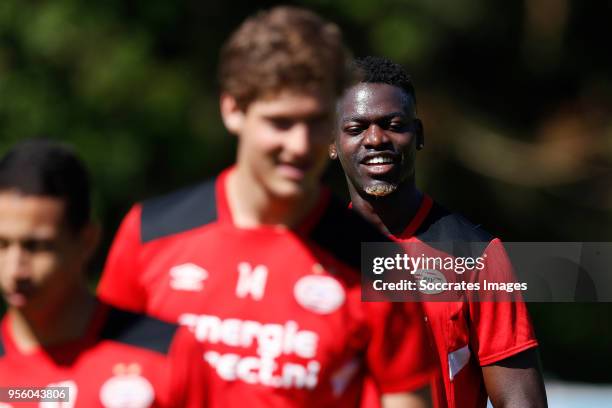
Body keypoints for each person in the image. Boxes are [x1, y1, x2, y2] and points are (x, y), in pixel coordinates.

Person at [98, 6, 435, 408]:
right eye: (280, 122)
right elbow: (102, 376)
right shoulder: (150, 232)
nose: (299, 144)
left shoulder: (377, 265)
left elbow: (406, 398)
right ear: (233, 109)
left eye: (314, 122)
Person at [329, 56, 548, 408]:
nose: (375, 139)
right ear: (332, 143)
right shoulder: (312, 252)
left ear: (419, 135)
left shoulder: (478, 254)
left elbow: (521, 401)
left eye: (392, 124)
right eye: (356, 129)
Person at [0, 139, 209, 408]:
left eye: (37, 247)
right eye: (2, 245)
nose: (15, 270)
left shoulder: (164, 353)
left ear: (87, 241)